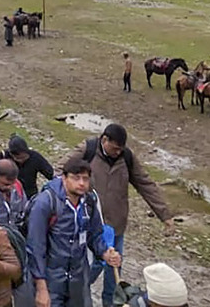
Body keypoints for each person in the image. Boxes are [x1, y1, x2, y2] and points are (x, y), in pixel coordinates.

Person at [63, 124, 173, 307]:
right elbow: (62, 172)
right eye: (114, 148)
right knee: (91, 266)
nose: (117, 152)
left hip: (116, 225)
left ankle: (112, 303)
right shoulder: (87, 150)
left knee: (114, 267)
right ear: (104, 140)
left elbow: (145, 184)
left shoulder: (127, 157)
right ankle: (71, 295)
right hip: (88, 225)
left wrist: (165, 215)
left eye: (121, 149)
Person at [27, 157, 121, 307]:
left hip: (78, 279)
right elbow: (35, 247)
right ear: (64, 177)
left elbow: (94, 235)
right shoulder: (45, 203)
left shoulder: (89, 203)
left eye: (85, 179)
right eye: (76, 178)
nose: (82, 183)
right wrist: (41, 288)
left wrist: (105, 253)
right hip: (51, 280)